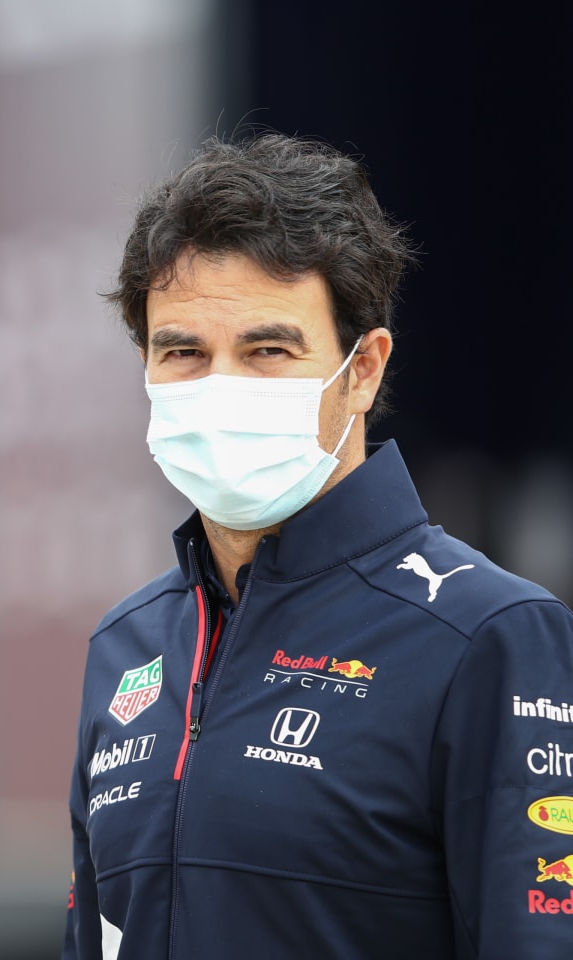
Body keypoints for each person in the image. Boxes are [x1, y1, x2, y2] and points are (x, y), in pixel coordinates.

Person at [63, 133, 573, 959]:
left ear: (364, 369)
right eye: (182, 351)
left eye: (268, 350)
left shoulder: (491, 634)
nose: (219, 384)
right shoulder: (127, 645)